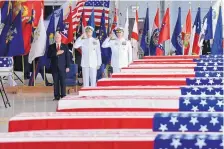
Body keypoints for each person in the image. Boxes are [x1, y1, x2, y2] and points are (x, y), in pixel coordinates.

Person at [47, 32, 70, 100]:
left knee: (63, 82)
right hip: (54, 68)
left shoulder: (65, 46)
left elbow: (67, 57)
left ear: (61, 38)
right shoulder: (51, 46)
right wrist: (56, 53)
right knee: (56, 82)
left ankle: (63, 96)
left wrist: (67, 66)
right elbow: (48, 55)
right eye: (56, 37)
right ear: (54, 38)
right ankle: (56, 96)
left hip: (63, 67)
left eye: (58, 37)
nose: (57, 38)